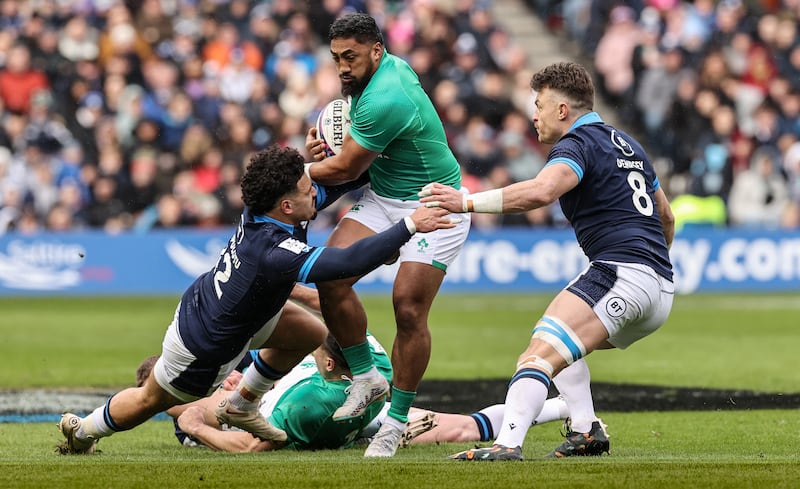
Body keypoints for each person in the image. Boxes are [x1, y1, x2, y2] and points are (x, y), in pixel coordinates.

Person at [57, 145, 455, 454]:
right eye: (305, 189)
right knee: (149, 399)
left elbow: (332, 183)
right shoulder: (273, 251)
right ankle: (84, 431)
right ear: (286, 205)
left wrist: (359, 157)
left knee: (308, 334)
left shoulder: (266, 206)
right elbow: (346, 261)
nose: (314, 192)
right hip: (203, 345)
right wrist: (408, 224)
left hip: (238, 313)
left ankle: (242, 403)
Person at [420, 61, 675, 461]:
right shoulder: (629, 145)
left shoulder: (577, 143)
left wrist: (464, 201)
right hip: (659, 289)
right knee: (558, 342)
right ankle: (586, 430)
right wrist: (654, 268)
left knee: (537, 355)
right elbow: (666, 217)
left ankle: (507, 445)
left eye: (538, 105)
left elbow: (542, 191)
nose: (532, 115)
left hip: (621, 274)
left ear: (562, 111)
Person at [304, 13, 471, 457]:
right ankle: (366, 376)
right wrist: (328, 151)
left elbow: (346, 169)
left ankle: (396, 423)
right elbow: (350, 164)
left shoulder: (386, 96)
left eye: (351, 56)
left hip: (437, 202)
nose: (342, 66)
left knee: (408, 307)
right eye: (337, 57)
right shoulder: (371, 78)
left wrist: (297, 170)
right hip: (385, 197)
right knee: (328, 274)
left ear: (376, 50)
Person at [139, 334, 569, 453]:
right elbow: (247, 441)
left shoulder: (223, 376)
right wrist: (195, 423)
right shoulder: (190, 419)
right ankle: (566, 407)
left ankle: (564, 407)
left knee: (457, 428)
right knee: (456, 432)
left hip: (319, 391)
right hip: (313, 400)